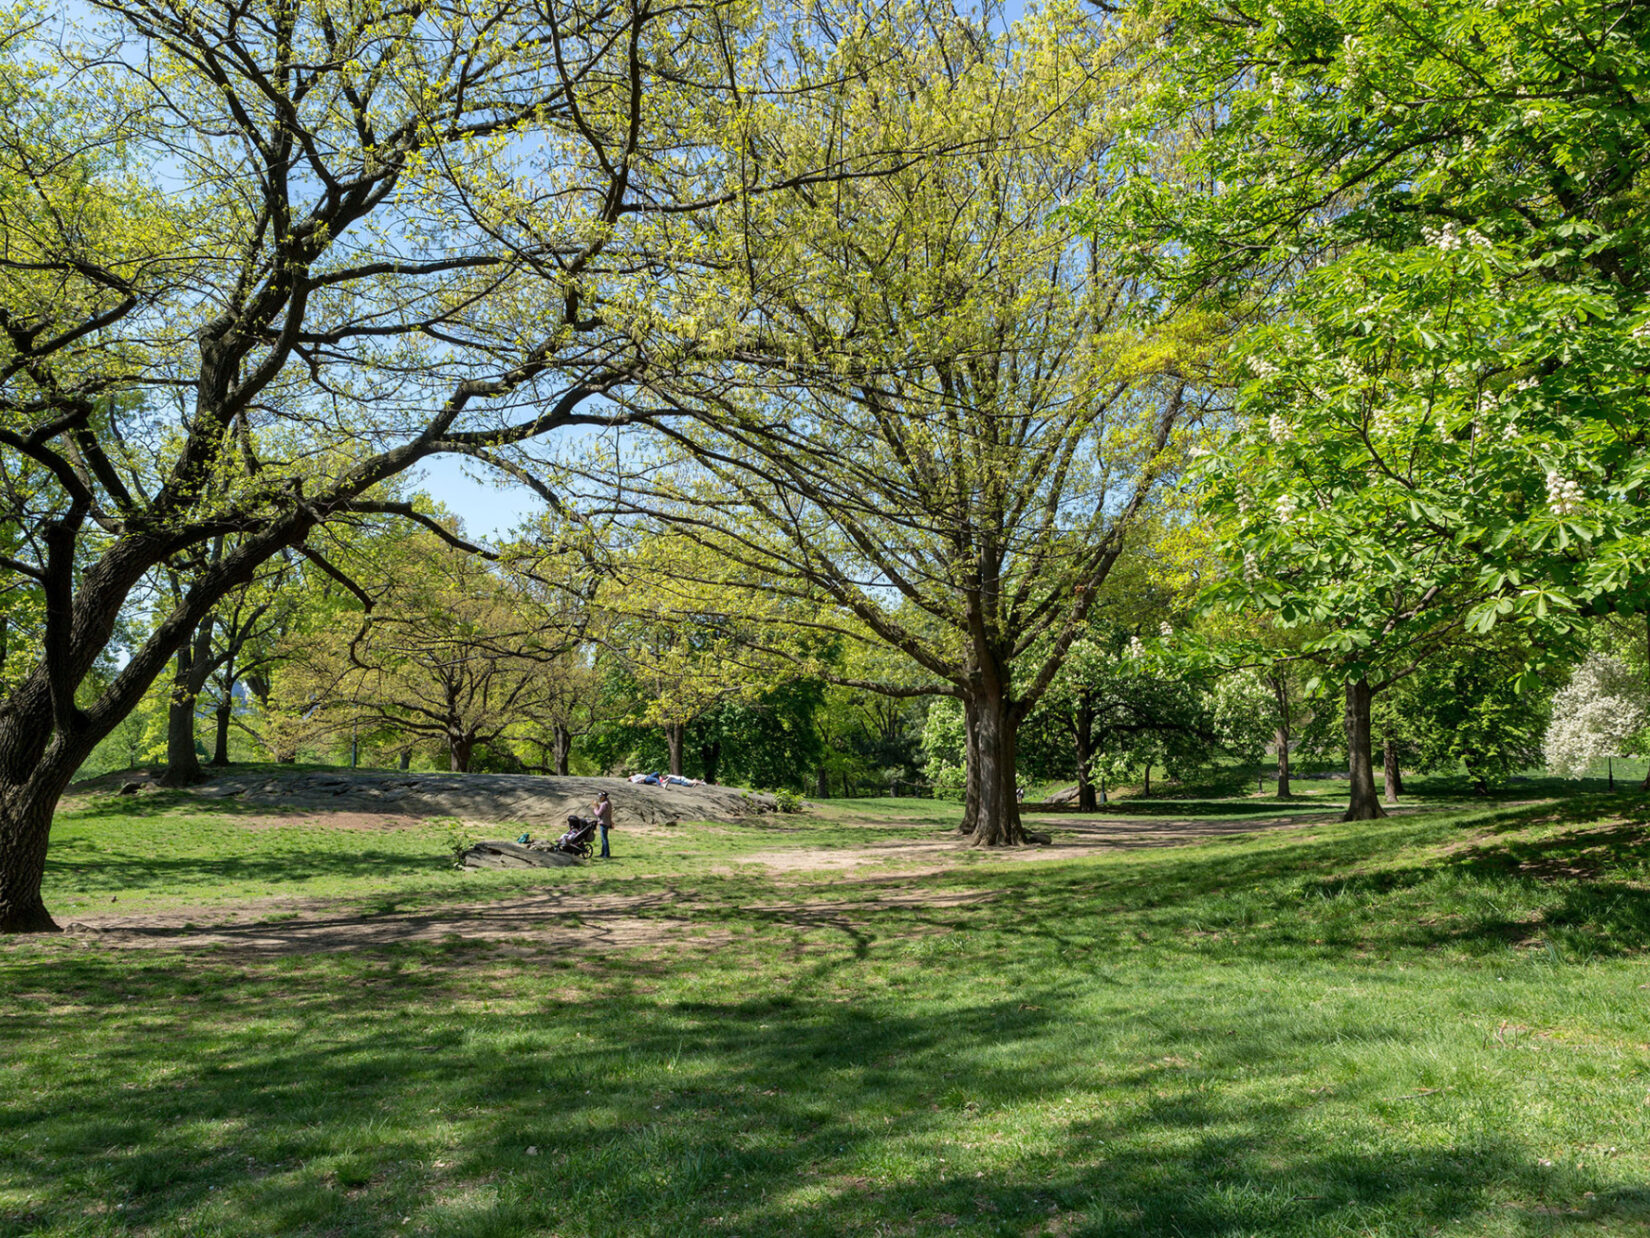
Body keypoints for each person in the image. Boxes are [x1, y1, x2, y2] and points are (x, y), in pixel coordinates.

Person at [592, 790, 613, 858]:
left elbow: (598, 814)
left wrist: (595, 807)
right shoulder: (608, 803)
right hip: (607, 822)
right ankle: (603, 853)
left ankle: (606, 854)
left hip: (603, 823)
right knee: (604, 838)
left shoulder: (604, 804)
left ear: (604, 797)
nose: (599, 798)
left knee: (604, 839)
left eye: (601, 797)